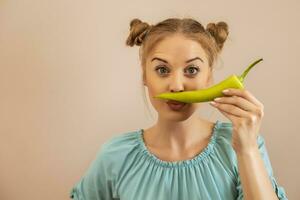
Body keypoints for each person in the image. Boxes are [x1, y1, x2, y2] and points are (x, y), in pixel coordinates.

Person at [70, 17, 288, 200]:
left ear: (209, 76)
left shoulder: (240, 146)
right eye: (162, 70)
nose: (176, 86)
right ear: (145, 75)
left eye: (192, 69)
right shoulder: (115, 156)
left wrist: (247, 149)